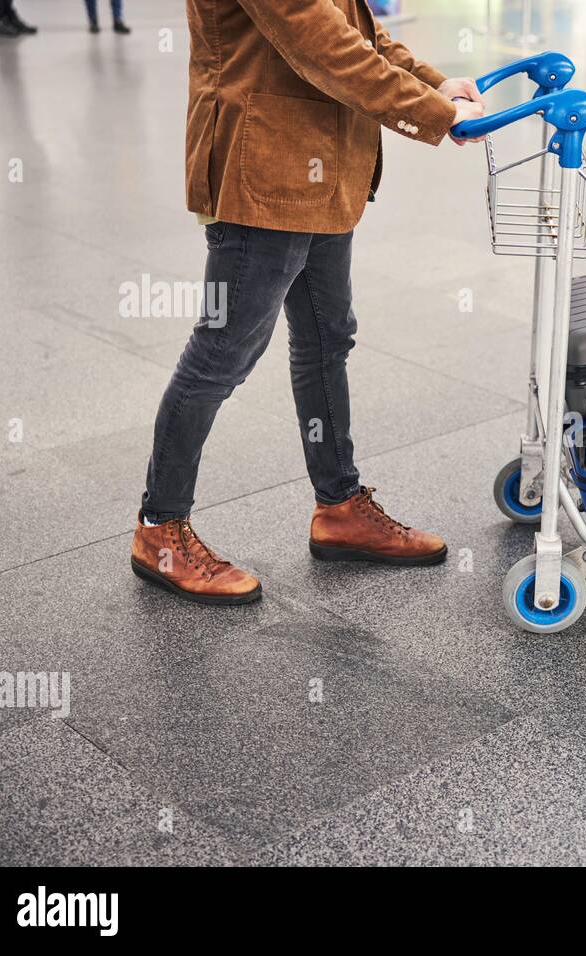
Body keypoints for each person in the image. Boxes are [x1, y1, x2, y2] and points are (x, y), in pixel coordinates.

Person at [131, 0, 487, 606]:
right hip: (264, 168)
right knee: (223, 351)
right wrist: (432, 111)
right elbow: (321, 43)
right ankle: (159, 531)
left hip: (322, 166)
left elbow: (358, 30)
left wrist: (433, 81)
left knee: (327, 338)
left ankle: (341, 506)